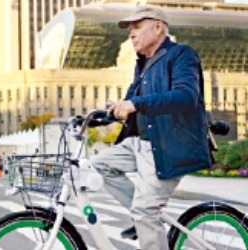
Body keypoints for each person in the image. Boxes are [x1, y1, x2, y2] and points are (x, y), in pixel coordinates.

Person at [86, 5, 211, 250]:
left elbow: (186, 96)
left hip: (169, 146)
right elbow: (130, 101)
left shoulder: (181, 55)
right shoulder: (143, 64)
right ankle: (141, 218)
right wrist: (97, 117)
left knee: (145, 210)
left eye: (136, 27)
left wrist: (137, 103)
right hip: (142, 142)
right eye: (129, 29)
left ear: (158, 27)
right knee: (100, 164)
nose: (131, 34)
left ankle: (143, 217)